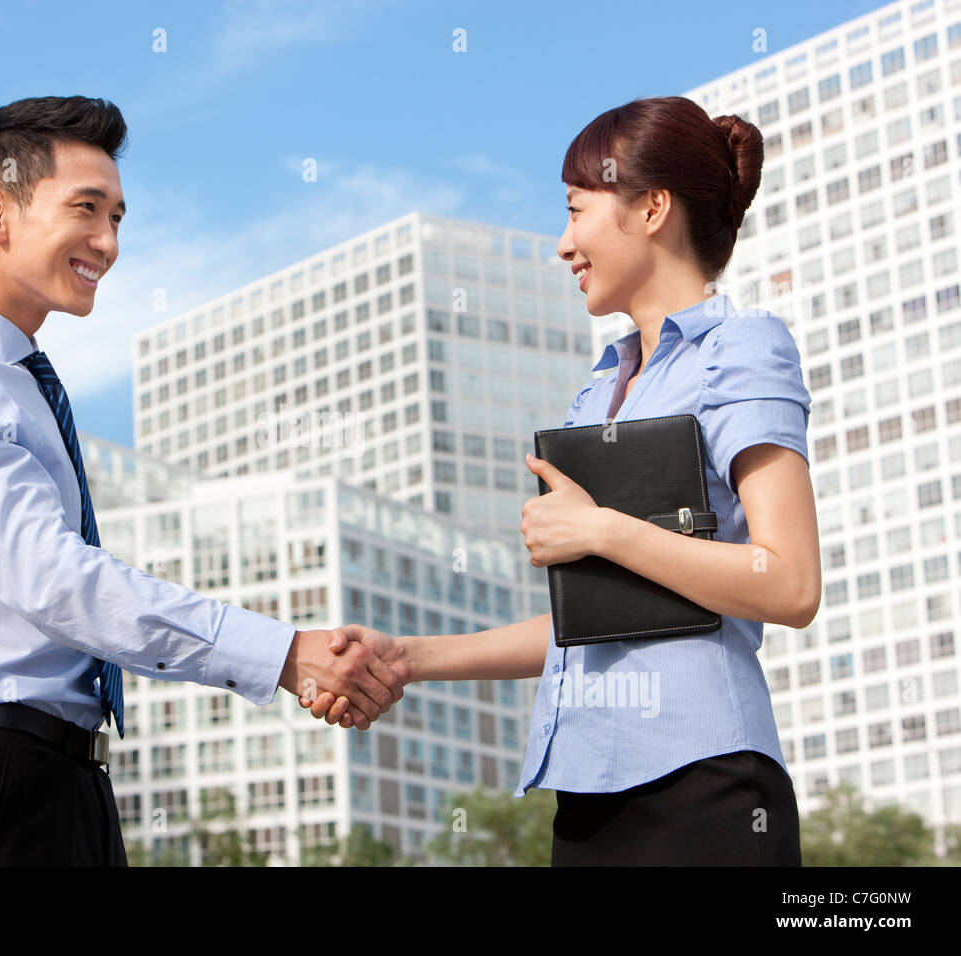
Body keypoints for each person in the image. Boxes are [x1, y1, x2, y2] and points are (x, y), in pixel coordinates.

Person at [0, 95, 399, 867]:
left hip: (61, 781)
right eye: (86, 209)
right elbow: (54, 580)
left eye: (117, 217)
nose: (107, 242)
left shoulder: (16, 382)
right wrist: (279, 654)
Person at [309, 96, 819, 866]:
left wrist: (601, 531)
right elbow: (597, 624)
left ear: (652, 208)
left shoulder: (741, 348)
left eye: (577, 210)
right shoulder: (600, 387)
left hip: (702, 784)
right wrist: (407, 658)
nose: (563, 243)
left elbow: (790, 584)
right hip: (585, 793)